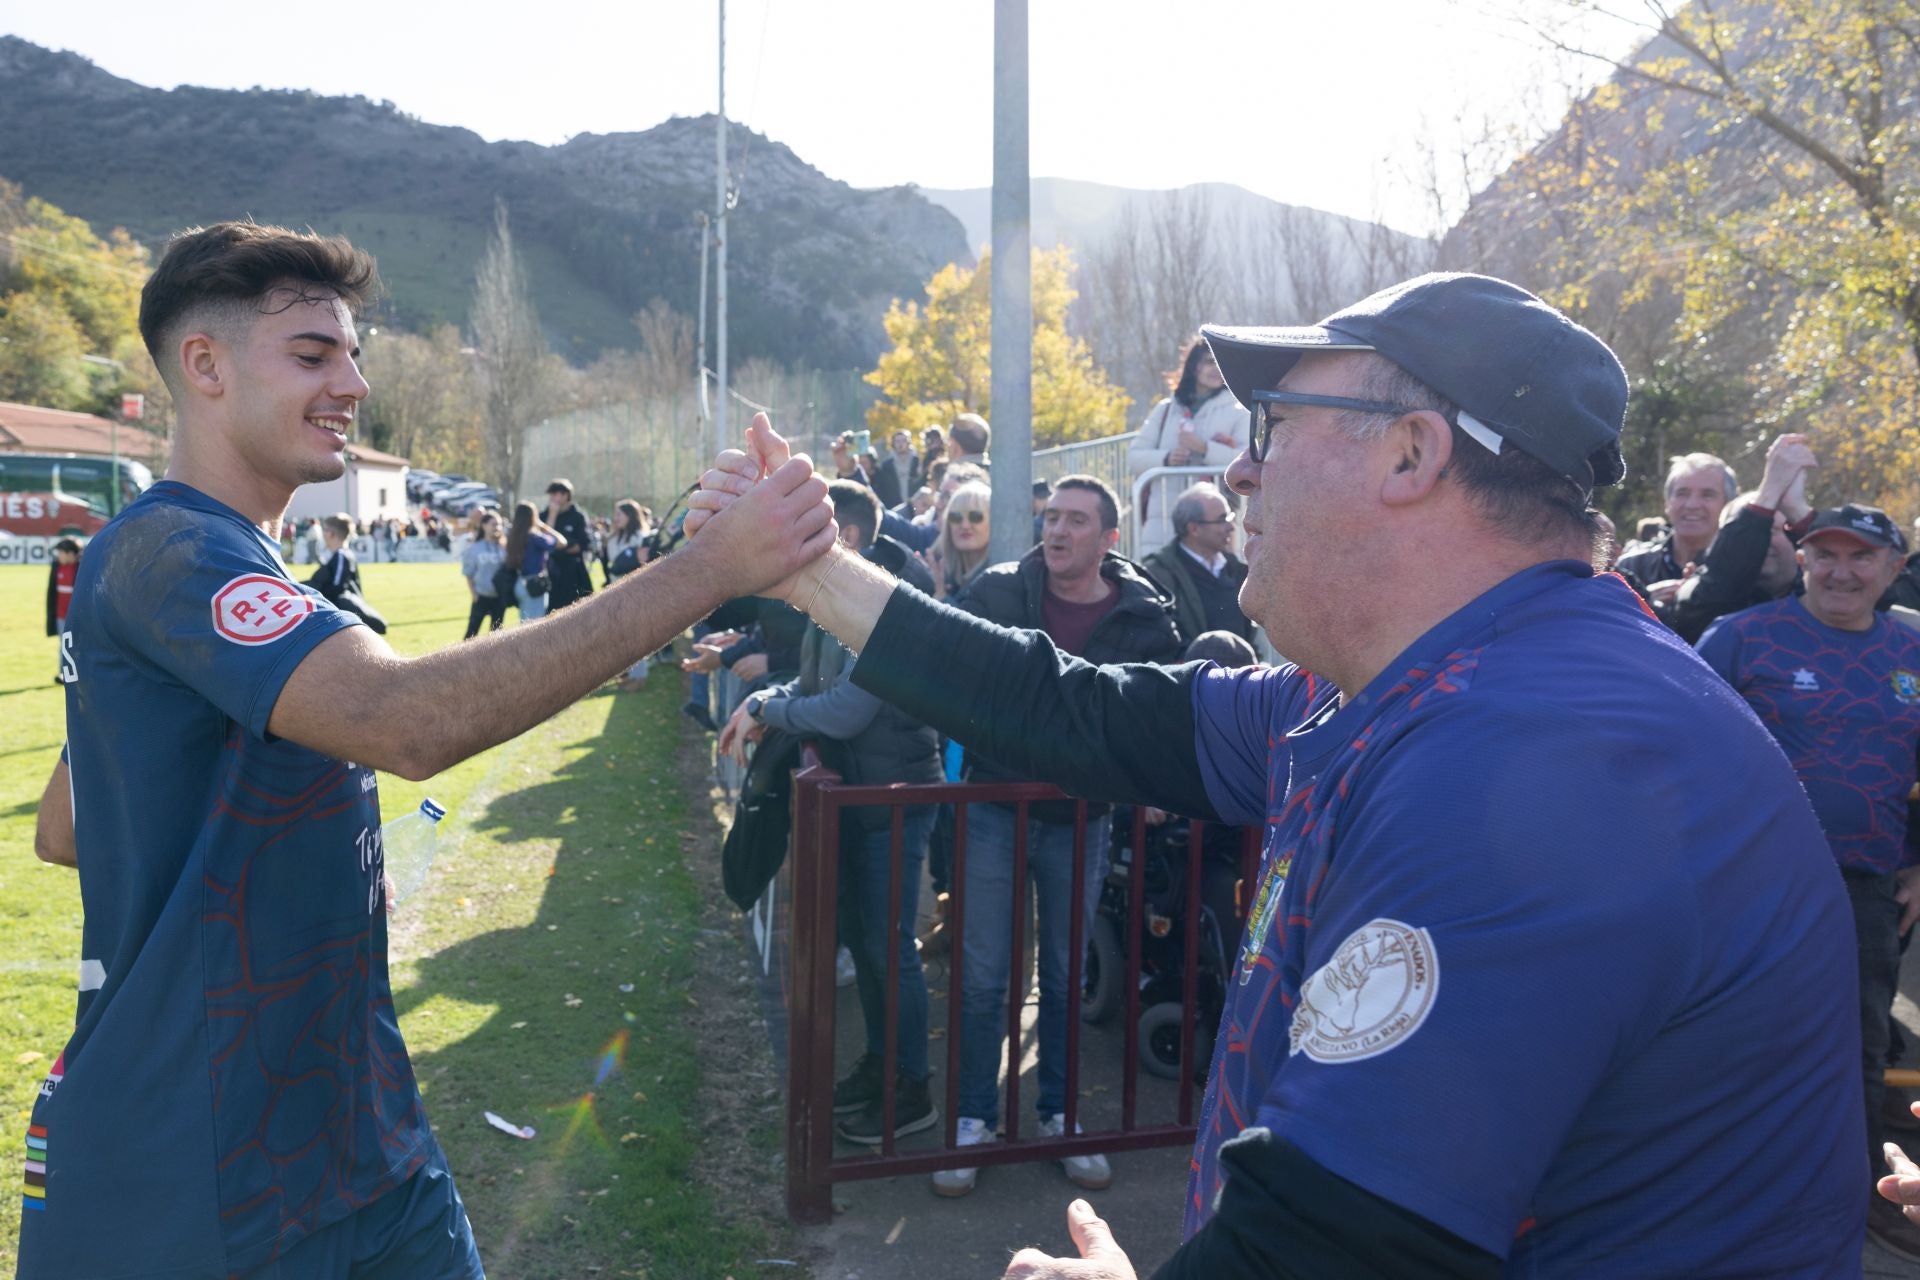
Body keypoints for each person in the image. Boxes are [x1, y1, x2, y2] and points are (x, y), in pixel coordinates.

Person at [687, 272, 1861, 1275]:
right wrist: (814, 569)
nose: (1240, 475)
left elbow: (1338, 1241)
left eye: (1273, 425)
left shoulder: (1543, 760)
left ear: (1412, 453)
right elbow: (1071, 706)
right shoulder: (1415, 681)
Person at [19, 221, 832, 1280]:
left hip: (359, 1137)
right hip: (209, 1176)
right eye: (314, 354)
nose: (352, 382)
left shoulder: (207, 569)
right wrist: (707, 567)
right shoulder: (174, 550)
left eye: (354, 354)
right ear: (204, 366)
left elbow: (67, 826)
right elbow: (402, 720)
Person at [933, 474, 1181, 1198]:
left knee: (1068, 973)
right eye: (1050, 517)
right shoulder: (999, 593)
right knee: (982, 973)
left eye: (1076, 520)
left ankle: (1061, 1117)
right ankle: (972, 1120)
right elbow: (954, 670)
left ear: (1110, 539)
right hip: (993, 807)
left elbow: (1156, 717)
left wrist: (1149, 784)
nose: (1057, 530)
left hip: (1083, 817)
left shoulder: (1143, 618)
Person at [1696, 503, 1920, 1259]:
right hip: (1746, 880)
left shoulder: (1913, 654)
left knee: (1856, 1045)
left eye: (1861, 558)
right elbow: (1675, 744)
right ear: (1801, 560)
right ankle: (1722, 1196)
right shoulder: (1742, 637)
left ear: (1894, 568)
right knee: (1734, 1035)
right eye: (1825, 555)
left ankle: (1858, 1198)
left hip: (1864, 888)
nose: (1841, 572)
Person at [717, 481, 943, 1145]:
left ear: (842, 535)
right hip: (865, 796)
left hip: (894, 798)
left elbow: (847, 708)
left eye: (802, 532)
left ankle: (911, 1091)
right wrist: (765, 699)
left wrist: (767, 708)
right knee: (871, 947)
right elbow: (816, 686)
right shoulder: (836, 595)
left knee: (887, 949)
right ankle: (883, 1067)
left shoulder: (889, 599)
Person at [1661, 433, 1817, 643]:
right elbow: (1715, 595)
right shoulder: (1694, 593)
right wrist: (1770, 491)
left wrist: (1797, 510)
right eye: (1743, 530)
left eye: (1771, 530)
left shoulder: (1821, 601)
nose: (1758, 541)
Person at [1128, 338, 1247, 551]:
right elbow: (1134, 457)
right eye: (1210, 361)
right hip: (1161, 523)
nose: (1216, 369)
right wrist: (1166, 458)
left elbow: (1246, 460)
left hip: (1214, 525)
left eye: (1221, 363)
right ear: (1193, 366)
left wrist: (1205, 449)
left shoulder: (1238, 411)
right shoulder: (1165, 409)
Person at [1613, 451, 1738, 618]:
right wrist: (1641, 600)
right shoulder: (1632, 567)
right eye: (1682, 493)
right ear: (1667, 504)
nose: (1692, 504)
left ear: (1728, 505)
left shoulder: (1739, 571)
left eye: (1708, 495)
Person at [1141, 483, 1252, 646]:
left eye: (1230, 517)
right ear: (1194, 529)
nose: (1231, 527)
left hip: (1240, 670)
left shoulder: (1236, 570)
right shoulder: (1158, 574)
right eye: (1222, 519)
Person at [305, 512, 389, 634]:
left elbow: (337, 587)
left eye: (325, 530)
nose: (323, 534)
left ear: (331, 534)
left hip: (343, 618)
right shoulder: (341, 555)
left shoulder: (341, 556)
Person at [605, 499, 654, 690]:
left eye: (620, 514)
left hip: (635, 591)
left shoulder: (641, 536)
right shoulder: (615, 537)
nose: (616, 518)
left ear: (630, 516)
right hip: (616, 590)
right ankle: (627, 673)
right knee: (621, 636)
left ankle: (639, 677)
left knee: (636, 635)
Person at [927, 479, 992, 600]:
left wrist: (943, 600)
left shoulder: (999, 580)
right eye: (956, 517)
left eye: (975, 517)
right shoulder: (945, 577)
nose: (965, 525)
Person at [542, 479, 595, 611]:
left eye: (555, 494)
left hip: (573, 573)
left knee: (579, 611)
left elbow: (584, 544)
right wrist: (552, 516)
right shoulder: (544, 515)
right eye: (551, 495)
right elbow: (544, 540)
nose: (552, 498)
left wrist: (563, 548)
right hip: (551, 573)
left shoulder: (577, 516)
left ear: (565, 495)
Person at [460, 510, 509, 639]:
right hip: (481, 596)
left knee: (496, 635)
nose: (497, 527)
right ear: (484, 526)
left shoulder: (504, 547)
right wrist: (474, 594)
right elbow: (468, 573)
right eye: (493, 524)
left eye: (499, 524)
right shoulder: (475, 548)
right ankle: (463, 659)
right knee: (471, 633)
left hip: (500, 597)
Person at [46, 537, 80, 684]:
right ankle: (63, 673)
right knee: (64, 646)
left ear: (70, 553)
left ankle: (80, 673)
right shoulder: (56, 567)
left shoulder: (82, 568)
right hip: (61, 616)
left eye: (60, 552)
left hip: (78, 617)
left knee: (80, 645)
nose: (58, 555)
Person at [872, 428, 921, 510]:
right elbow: (883, 489)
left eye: (903, 441)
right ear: (893, 443)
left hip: (915, 506)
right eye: (897, 441)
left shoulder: (917, 461)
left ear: (908, 442)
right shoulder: (887, 465)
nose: (900, 444)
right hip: (894, 507)